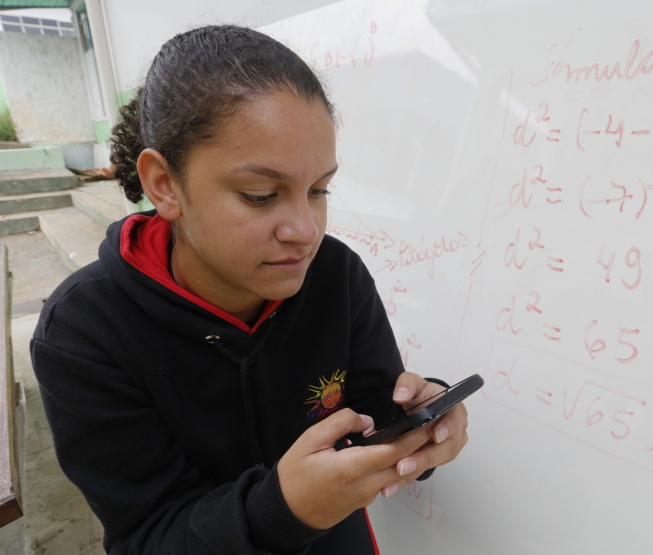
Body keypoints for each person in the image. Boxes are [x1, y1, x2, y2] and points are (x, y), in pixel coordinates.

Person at [30, 25, 469, 555]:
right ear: (164, 184)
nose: (305, 230)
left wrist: (421, 420)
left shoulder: (335, 275)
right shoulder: (86, 332)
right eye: (260, 195)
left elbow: (373, 403)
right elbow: (148, 534)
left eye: (319, 189)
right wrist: (283, 509)